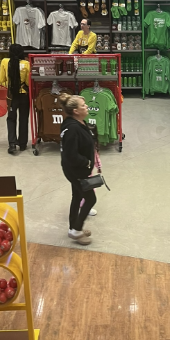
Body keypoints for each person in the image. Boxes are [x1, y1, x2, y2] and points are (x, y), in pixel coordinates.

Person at [59, 93, 97, 245]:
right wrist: (87, 163)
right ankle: (76, 230)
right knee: (91, 198)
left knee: (77, 196)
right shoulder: (72, 129)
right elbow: (71, 155)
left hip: (77, 169)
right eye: (83, 105)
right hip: (76, 170)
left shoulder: (77, 123)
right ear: (75, 111)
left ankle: (73, 227)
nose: (86, 107)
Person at [0, 44, 30, 155]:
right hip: (24, 95)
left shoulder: (4, 62)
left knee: (11, 118)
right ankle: (22, 144)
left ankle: (12, 144)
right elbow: (28, 82)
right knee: (23, 119)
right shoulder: (26, 64)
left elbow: (1, 79)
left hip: (11, 96)